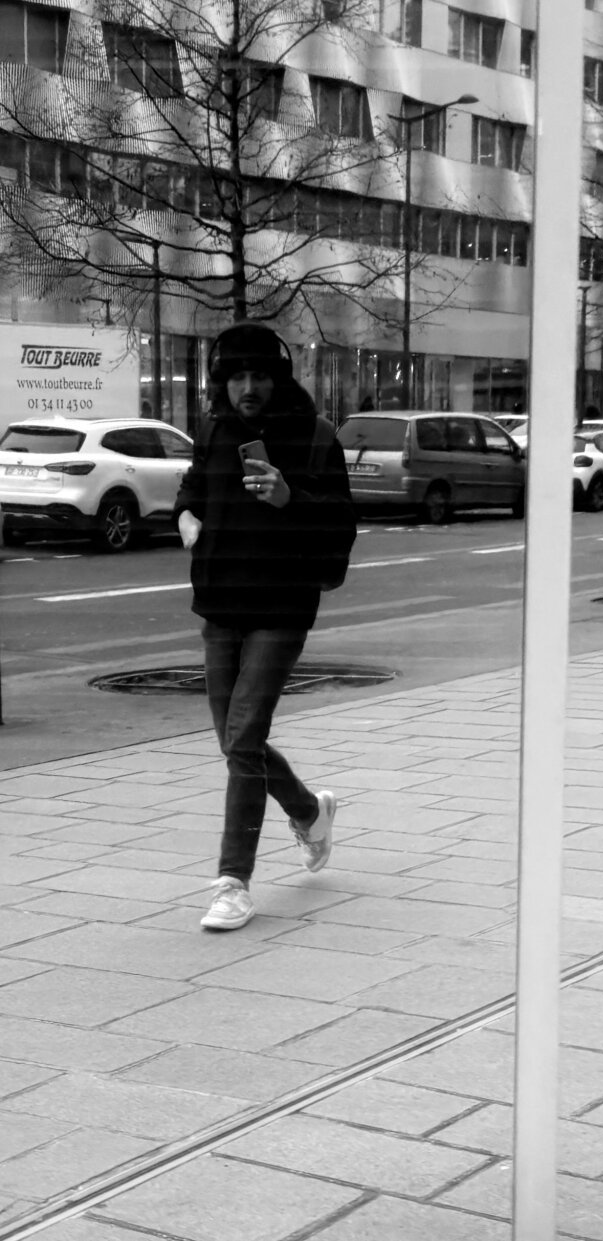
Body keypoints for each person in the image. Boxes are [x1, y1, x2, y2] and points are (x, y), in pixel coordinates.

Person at [174, 321, 354, 931]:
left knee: (243, 738)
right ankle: (308, 812)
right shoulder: (215, 432)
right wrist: (187, 519)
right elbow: (192, 489)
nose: (247, 388)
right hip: (221, 603)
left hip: (281, 607)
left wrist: (289, 500)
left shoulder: (314, 438)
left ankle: (234, 882)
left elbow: (341, 526)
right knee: (235, 741)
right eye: (236, 377)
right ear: (222, 383)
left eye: (259, 376)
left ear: (279, 379)